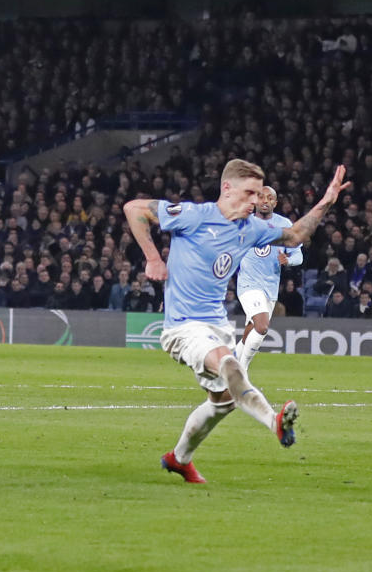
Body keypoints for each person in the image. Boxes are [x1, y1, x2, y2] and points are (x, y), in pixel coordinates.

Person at [124, 160, 349, 483]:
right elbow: (134, 208)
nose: (256, 201)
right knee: (230, 365)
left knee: (222, 401)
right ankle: (274, 422)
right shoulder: (194, 216)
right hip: (184, 327)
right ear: (226, 188)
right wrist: (153, 257)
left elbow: (296, 234)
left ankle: (179, 458)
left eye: (258, 194)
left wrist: (326, 201)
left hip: (217, 325)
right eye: (250, 193)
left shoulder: (252, 229)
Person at [235, 186, 303, 368]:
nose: (265, 201)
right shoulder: (242, 222)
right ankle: (241, 373)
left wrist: (288, 260)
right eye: (261, 197)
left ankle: (232, 362)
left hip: (270, 287)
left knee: (252, 328)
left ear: (275, 203)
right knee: (262, 326)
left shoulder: (285, 225)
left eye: (269, 198)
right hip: (247, 284)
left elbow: (299, 256)